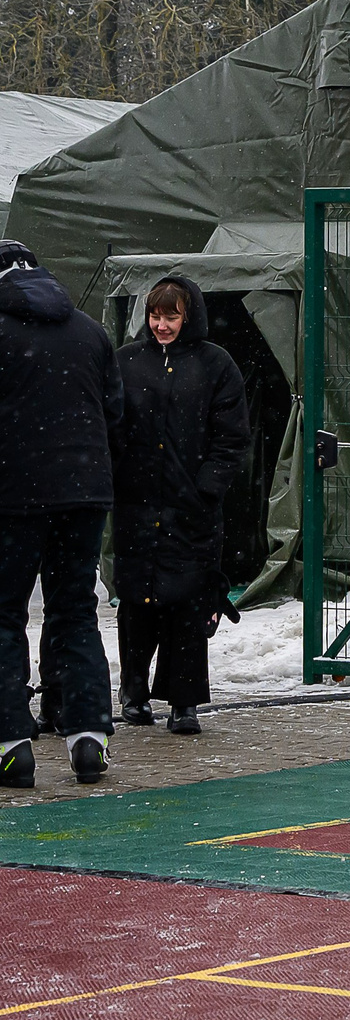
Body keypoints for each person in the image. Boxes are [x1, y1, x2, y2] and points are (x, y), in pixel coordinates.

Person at [0, 239, 121, 786]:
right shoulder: (90, 330)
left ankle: (10, 745)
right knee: (74, 609)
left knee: (3, 615)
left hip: (13, 494)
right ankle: (88, 735)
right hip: (86, 490)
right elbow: (114, 412)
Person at [110, 277, 249, 736]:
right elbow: (111, 424)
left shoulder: (215, 365)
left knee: (188, 602)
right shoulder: (127, 362)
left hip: (191, 509)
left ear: (188, 316)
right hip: (136, 504)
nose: (162, 325)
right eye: (156, 315)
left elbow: (232, 436)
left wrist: (206, 487)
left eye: (171, 316)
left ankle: (183, 700)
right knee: (136, 601)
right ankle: (133, 690)